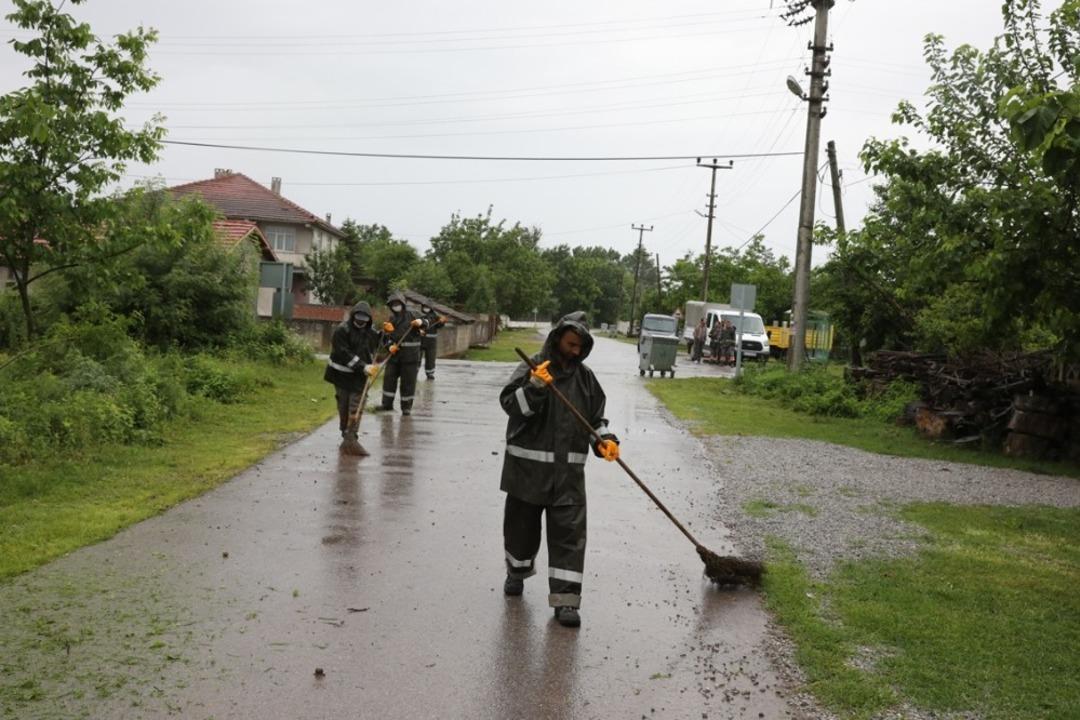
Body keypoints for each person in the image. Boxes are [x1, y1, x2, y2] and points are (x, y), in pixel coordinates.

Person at [499, 311, 620, 628]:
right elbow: (512, 406)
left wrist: (604, 440)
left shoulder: (586, 379)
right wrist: (535, 386)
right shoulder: (532, 367)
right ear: (557, 339)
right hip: (527, 474)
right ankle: (517, 572)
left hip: (568, 480)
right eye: (571, 344)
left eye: (581, 346)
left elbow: (597, 420)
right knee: (520, 533)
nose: (575, 352)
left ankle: (566, 603)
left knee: (570, 539)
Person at [323, 301, 381, 449]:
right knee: (343, 405)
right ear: (353, 315)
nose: (361, 321)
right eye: (359, 317)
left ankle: (352, 435)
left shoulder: (371, 332)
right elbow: (343, 353)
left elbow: (381, 344)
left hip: (359, 377)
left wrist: (388, 340)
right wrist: (363, 366)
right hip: (341, 375)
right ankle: (345, 432)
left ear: (369, 319)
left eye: (365, 318)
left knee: (356, 406)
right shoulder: (342, 331)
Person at [380, 291, 427, 416]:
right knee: (389, 380)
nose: (396, 306)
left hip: (410, 357)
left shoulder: (413, 314)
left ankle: (406, 407)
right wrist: (389, 346)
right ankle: (386, 404)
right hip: (394, 357)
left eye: (397, 303)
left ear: (402, 303)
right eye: (393, 304)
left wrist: (420, 323)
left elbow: (427, 322)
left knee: (408, 383)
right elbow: (385, 338)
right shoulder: (391, 319)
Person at [418, 302, 447, 381]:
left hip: (431, 343)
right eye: (424, 306)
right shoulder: (418, 315)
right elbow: (414, 326)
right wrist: (419, 331)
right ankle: (414, 372)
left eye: (427, 307)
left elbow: (439, 326)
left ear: (431, 308)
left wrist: (442, 322)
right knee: (417, 358)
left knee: (431, 358)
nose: (426, 308)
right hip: (420, 341)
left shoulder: (435, 317)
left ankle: (430, 374)